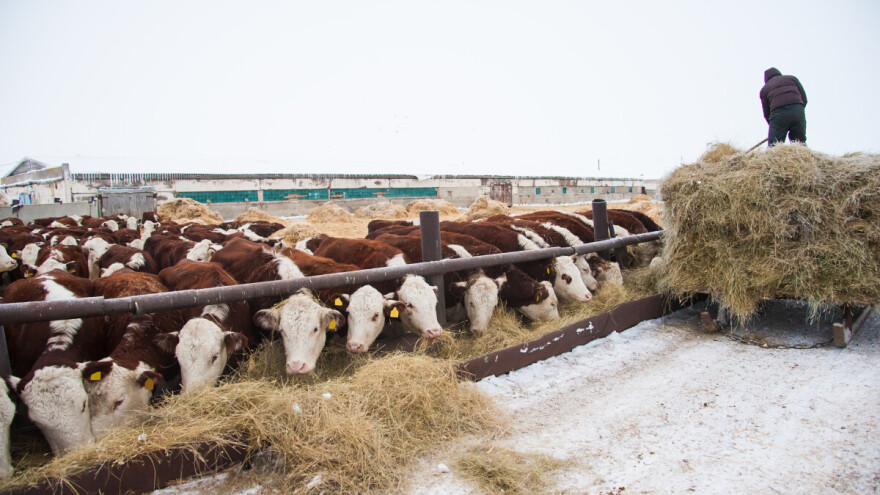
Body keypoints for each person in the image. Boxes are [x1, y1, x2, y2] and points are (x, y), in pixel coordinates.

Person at [760, 67, 807, 146]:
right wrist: (798, 110)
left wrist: (775, 127)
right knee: (799, 142)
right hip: (798, 109)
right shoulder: (792, 79)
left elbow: (766, 112)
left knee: (774, 146)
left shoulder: (764, 89)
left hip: (778, 113)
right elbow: (804, 98)